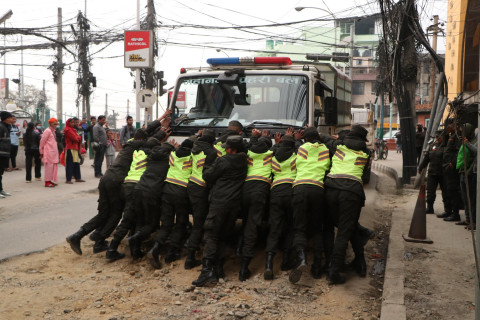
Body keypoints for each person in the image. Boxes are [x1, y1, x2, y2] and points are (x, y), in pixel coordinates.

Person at [192, 135, 247, 287]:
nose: (225, 150)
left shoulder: (223, 161)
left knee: (211, 234)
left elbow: (207, 176)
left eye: (227, 148)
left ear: (233, 149)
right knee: (223, 235)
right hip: (234, 204)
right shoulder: (244, 160)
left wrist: (207, 165)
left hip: (220, 202)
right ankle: (219, 269)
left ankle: (206, 272)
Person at [325, 125, 371, 285]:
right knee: (345, 230)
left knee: (344, 227)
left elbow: (324, 139)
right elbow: (366, 178)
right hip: (352, 193)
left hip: (331, 190)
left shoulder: (338, 146)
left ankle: (357, 263)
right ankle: (335, 272)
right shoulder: (366, 152)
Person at [288, 126, 333, 284]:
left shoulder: (301, 148)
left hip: (299, 187)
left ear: (305, 139)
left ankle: (301, 260)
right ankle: (316, 268)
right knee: (316, 228)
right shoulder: (325, 149)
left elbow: (294, 162)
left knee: (299, 227)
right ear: (318, 138)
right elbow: (326, 167)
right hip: (318, 189)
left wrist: (296, 138)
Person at [147, 138, 194, 267]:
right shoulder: (192, 157)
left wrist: (175, 147)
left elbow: (173, 150)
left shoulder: (172, 154)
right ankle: (171, 253)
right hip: (181, 191)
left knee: (166, 223)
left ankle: (155, 249)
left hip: (167, 189)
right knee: (181, 223)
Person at [239, 130, 273, 281]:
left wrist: (256, 137)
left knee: (246, 221)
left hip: (245, 190)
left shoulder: (249, 154)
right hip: (260, 191)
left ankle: (239, 247)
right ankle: (243, 267)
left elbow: (250, 145)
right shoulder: (271, 155)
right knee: (252, 226)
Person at [264, 129, 298, 280]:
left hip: (276, 192)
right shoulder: (296, 155)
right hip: (291, 191)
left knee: (274, 228)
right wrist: (295, 139)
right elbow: (300, 150)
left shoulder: (272, 156)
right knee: (291, 227)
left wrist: (277, 145)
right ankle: (285, 262)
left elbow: (271, 150)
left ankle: (269, 265)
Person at [184, 129, 217, 270]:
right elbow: (209, 174)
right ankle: (190, 257)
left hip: (191, 184)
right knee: (199, 224)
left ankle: (193, 248)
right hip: (201, 188)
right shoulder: (212, 152)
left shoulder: (195, 147)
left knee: (197, 221)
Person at [418, 131, 447, 214]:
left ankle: (447, 210)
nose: (438, 138)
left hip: (443, 173)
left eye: (439, 137)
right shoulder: (432, 146)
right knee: (430, 191)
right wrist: (421, 167)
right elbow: (427, 158)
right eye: (437, 136)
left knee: (445, 192)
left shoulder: (447, 145)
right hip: (432, 172)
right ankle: (430, 207)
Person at [39, 118, 60, 187]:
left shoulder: (52, 131)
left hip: (53, 152)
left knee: (53, 167)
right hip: (48, 152)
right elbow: (42, 142)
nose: (56, 125)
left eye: (56, 124)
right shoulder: (47, 131)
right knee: (49, 167)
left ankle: (50, 180)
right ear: (51, 124)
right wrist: (41, 152)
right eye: (55, 124)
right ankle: (47, 182)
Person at [64, 118, 84, 184]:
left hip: (75, 148)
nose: (73, 124)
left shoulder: (73, 129)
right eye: (71, 122)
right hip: (70, 148)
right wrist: (78, 137)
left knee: (76, 164)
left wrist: (77, 137)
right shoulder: (67, 129)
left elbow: (78, 137)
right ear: (68, 123)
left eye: (73, 122)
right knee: (70, 164)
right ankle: (68, 179)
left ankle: (78, 178)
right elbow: (75, 138)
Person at [0, 111, 14, 198]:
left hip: (4, 154)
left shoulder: (6, 127)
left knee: (0, 173)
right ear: (5, 119)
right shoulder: (1, 127)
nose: (11, 120)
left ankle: (1, 189)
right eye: (9, 118)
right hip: (0, 153)